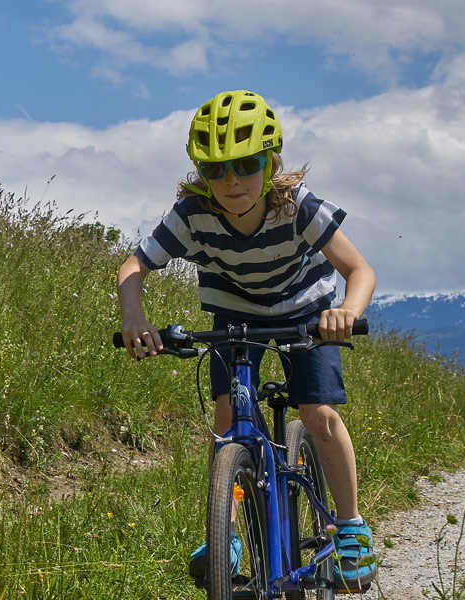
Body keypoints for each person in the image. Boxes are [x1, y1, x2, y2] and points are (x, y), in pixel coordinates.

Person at [115, 90, 378, 592]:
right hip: (234, 315)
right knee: (228, 422)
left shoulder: (298, 207)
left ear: (271, 161)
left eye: (246, 165)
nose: (231, 182)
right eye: (216, 171)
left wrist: (346, 312)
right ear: (200, 173)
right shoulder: (193, 214)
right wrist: (135, 318)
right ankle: (228, 536)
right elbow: (135, 266)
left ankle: (350, 527)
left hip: (307, 312)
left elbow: (358, 269)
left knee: (318, 415)